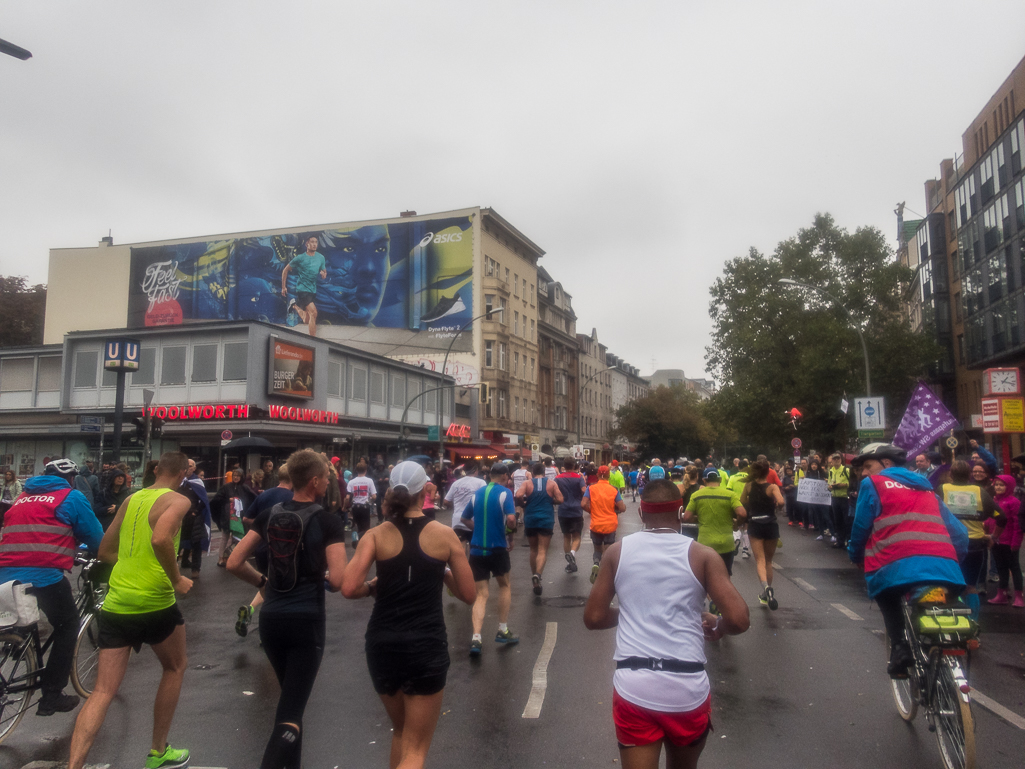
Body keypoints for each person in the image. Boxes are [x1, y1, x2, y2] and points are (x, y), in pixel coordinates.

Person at [584, 479, 750, 769]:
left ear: (641, 514)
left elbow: (594, 618)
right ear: (680, 512)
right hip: (687, 688)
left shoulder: (617, 552)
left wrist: (634, 612)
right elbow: (738, 619)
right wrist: (718, 626)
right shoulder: (703, 555)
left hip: (635, 687)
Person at [342, 461, 476, 769]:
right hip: (425, 646)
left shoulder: (376, 535)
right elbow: (469, 595)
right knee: (416, 750)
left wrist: (372, 588)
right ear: (426, 490)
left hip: (382, 643)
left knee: (401, 731)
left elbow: (348, 588)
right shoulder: (444, 536)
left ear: (390, 491)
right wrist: (441, 571)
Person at [68, 452, 194, 769]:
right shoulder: (178, 501)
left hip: (117, 602)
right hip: (156, 602)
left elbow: (107, 550)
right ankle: (157, 751)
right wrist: (177, 579)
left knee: (103, 691)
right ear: (181, 474)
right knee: (175, 667)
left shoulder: (132, 499)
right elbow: (161, 537)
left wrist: (130, 565)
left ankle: (74, 766)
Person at [227, 450, 346, 769]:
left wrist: (262, 582)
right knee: (291, 714)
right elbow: (338, 581)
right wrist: (321, 578)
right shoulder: (328, 521)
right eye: (326, 476)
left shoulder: (269, 513)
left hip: (271, 622)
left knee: (291, 703)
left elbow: (235, 562)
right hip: (306, 623)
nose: (328, 481)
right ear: (315, 480)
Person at [847, 444, 968, 678]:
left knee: (887, 595)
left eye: (867, 466)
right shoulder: (926, 489)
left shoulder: (873, 484)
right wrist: (953, 563)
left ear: (886, 464)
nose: (863, 473)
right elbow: (960, 535)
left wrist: (855, 555)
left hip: (895, 568)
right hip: (945, 568)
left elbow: (861, 527)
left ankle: (900, 648)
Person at [0, 459, 103, 716]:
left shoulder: (22, 497)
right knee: (67, 624)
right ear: (71, 479)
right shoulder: (71, 496)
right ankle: (52, 695)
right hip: (43, 574)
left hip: (6, 573)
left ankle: (17, 645)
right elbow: (95, 536)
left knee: (18, 621)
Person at [460, 463, 519, 655]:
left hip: (477, 550)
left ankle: (476, 638)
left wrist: (477, 529)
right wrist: (510, 534)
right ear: (503, 476)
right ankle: (503, 629)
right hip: (497, 548)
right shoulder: (505, 493)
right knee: (504, 586)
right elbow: (511, 519)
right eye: (508, 476)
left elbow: (464, 518)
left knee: (481, 595)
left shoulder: (477, 494)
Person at [939, 459, 1003, 621]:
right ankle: (973, 624)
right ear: (970, 475)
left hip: (949, 544)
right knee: (970, 586)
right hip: (974, 544)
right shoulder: (979, 491)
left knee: (948, 584)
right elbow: (1001, 517)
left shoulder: (942, 489)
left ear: (951, 475)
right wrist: (994, 537)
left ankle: (952, 621)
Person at [234, 464, 294, 637]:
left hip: (260, 548)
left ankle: (251, 609)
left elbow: (246, 518)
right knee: (280, 591)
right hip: (282, 549)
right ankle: (269, 632)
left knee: (267, 584)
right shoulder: (293, 497)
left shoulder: (265, 494)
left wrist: (264, 526)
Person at [684, 467, 746, 580]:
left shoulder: (697, 495)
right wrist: (737, 524)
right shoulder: (730, 495)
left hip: (705, 543)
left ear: (704, 480)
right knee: (725, 576)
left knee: (707, 577)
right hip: (726, 544)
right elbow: (742, 513)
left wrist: (699, 519)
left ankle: (712, 597)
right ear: (720, 479)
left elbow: (687, 516)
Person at [741, 460, 785, 610]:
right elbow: (781, 501)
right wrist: (777, 506)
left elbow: (742, 502)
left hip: (755, 524)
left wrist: (752, 502)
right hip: (771, 524)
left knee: (759, 560)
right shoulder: (772, 487)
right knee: (768, 562)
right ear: (768, 473)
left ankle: (765, 587)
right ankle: (766, 594)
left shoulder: (748, 486)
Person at [515, 462, 564, 596]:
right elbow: (560, 499)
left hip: (530, 518)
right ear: (544, 471)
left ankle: (535, 580)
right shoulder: (551, 484)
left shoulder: (527, 483)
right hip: (546, 519)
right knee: (542, 550)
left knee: (533, 549)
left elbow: (518, 495)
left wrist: (523, 504)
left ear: (533, 471)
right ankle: (538, 574)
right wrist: (551, 501)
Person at [582, 465, 626, 584]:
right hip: (610, 525)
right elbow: (622, 508)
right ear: (608, 475)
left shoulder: (591, 488)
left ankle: (596, 563)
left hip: (596, 524)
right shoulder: (613, 489)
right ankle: (604, 574)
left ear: (597, 475)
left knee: (597, 549)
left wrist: (591, 511)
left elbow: (583, 504)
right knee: (607, 551)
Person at [987, 474, 1023, 606]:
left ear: (1009, 487)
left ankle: (1019, 596)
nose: (998, 487)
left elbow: (1017, 525)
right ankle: (1001, 594)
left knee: (1014, 568)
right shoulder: (994, 501)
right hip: (997, 541)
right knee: (1001, 568)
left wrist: (1016, 542)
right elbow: (990, 520)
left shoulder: (1014, 502)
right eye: (996, 484)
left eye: (1001, 485)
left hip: (1009, 542)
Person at [281, 235, 328, 337]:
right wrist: (283, 287)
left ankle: (294, 306)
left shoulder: (321, 258)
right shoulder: (300, 258)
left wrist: (323, 274)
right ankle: (313, 340)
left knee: (307, 319)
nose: (314, 244)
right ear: (307, 244)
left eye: (316, 242)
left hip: (312, 290)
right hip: (302, 289)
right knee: (313, 313)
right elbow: (285, 270)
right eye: (312, 242)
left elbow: (324, 271)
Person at [211, 468, 257, 567]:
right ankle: (221, 558)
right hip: (227, 517)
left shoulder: (245, 488)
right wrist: (228, 500)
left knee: (237, 538)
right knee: (225, 537)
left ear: (242, 477)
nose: (236, 477)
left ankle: (233, 558)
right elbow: (217, 500)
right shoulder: (226, 487)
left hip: (239, 518)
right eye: (234, 475)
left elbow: (253, 499)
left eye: (238, 475)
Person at [177, 458, 212, 579]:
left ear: (194, 468)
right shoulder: (177, 481)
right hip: (179, 517)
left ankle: (195, 569)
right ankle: (172, 567)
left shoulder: (197, 482)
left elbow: (203, 500)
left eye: (191, 466)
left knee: (196, 543)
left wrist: (195, 512)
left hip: (194, 518)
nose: (188, 467)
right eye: (186, 465)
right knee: (177, 543)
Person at [443, 460, 484, 551]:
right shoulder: (480, 483)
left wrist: (456, 506)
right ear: (476, 470)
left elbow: (446, 501)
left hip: (458, 520)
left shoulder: (456, 483)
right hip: (473, 521)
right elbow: (484, 500)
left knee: (460, 549)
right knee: (475, 549)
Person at [555, 458, 587, 573]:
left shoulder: (558, 478)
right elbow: (584, 490)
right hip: (576, 510)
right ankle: (572, 554)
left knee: (566, 536)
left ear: (564, 466)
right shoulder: (579, 477)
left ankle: (569, 562)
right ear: (574, 466)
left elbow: (554, 492)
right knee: (577, 536)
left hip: (563, 509)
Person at [346, 462, 378, 546]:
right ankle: (364, 543)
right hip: (365, 506)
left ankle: (356, 541)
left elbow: (347, 497)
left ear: (356, 470)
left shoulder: (351, 482)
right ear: (366, 471)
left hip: (355, 507)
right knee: (366, 527)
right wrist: (370, 498)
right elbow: (374, 496)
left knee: (357, 525)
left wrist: (345, 507)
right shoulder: (369, 481)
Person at [827, 453, 852, 548]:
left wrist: (843, 484)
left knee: (847, 520)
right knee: (837, 521)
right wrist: (830, 486)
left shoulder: (846, 470)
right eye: (834, 459)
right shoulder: (831, 471)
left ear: (841, 460)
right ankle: (840, 541)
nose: (836, 460)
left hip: (845, 498)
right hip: (835, 498)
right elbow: (829, 484)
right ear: (832, 461)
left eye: (838, 459)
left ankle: (848, 541)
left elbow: (851, 483)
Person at [511, 460, 531, 525]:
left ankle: (517, 518)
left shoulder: (514, 472)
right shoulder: (527, 473)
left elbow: (512, 479)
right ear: (527, 466)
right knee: (525, 508)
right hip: (525, 493)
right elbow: (531, 482)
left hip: (516, 492)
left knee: (517, 508)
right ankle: (525, 521)